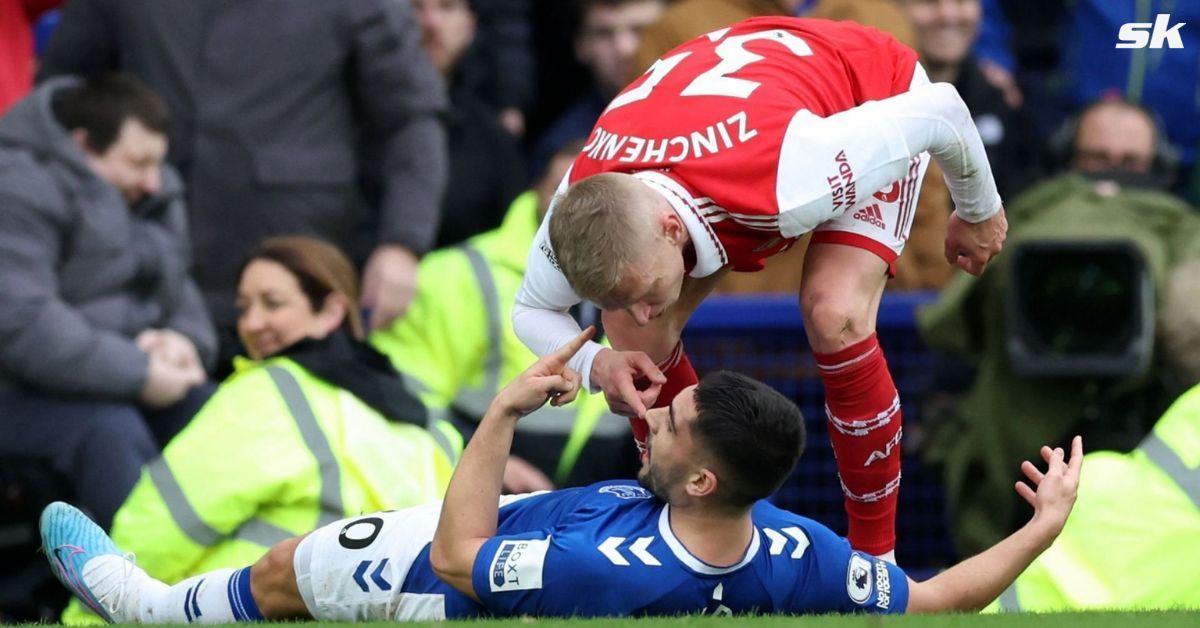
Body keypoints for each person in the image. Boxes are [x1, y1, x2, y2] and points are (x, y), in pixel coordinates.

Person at [41, 328, 1083, 621]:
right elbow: (939, 595)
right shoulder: (797, 552)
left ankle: (149, 608)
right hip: (539, 529)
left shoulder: (614, 574)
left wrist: (498, 411)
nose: (648, 415)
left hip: (465, 580)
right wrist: (1043, 525)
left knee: (292, 569)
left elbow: (458, 558)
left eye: (667, 421)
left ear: (705, 481)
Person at [513, 16, 1007, 560]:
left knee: (834, 314)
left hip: (857, 92)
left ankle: (875, 561)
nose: (648, 309)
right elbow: (531, 309)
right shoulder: (578, 207)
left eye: (648, 288)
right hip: (729, 114)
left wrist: (977, 209)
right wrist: (594, 366)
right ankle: (692, 540)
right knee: (630, 334)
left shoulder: (792, 177)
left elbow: (942, 111)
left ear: (672, 228)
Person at [58, 236, 461, 622]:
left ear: (332, 311)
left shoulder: (272, 388)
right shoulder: (422, 409)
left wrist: (90, 616)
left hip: (244, 609)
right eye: (244, 306)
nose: (252, 323)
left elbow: (167, 520)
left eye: (273, 304)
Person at [37, 0, 449, 365]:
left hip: (295, 263)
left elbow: (411, 119)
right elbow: (62, 101)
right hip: (142, 260)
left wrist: (401, 244)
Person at [916, 97, 1200, 557]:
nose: (1110, 179)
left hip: (1145, 420)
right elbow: (955, 327)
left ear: (1159, 167)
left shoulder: (1184, 235)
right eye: (1097, 160)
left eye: (1132, 164)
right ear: (1068, 159)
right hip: (1017, 425)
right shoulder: (1020, 221)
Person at [0, 73, 216, 531]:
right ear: (82, 147)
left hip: (113, 373)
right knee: (109, 432)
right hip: (20, 390)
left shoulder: (150, 191)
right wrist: (139, 374)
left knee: (212, 413)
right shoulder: (16, 187)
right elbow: (22, 321)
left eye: (158, 163)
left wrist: (182, 343)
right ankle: (141, 587)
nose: (155, 182)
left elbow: (178, 285)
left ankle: (247, 574)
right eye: (138, 163)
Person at [372, 141, 634, 492]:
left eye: (599, 195)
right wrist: (480, 457)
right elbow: (398, 399)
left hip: (588, 507)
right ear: (536, 188)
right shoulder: (455, 276)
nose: (582, 209)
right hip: (475, 495)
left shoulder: (646, 279)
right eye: (567, 190)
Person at [412, 0, 526, 248]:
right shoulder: (345, 124)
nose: (431, 23)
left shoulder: (494, 139)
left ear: (471, 26)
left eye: (447, 7)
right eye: (415, 6)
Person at [528, 0, 666, 180]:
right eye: (604, 34)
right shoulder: (561, 148)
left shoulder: (708, 117)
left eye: (639, 30)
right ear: (580, 45)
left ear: (670, 32)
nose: (624, 48)